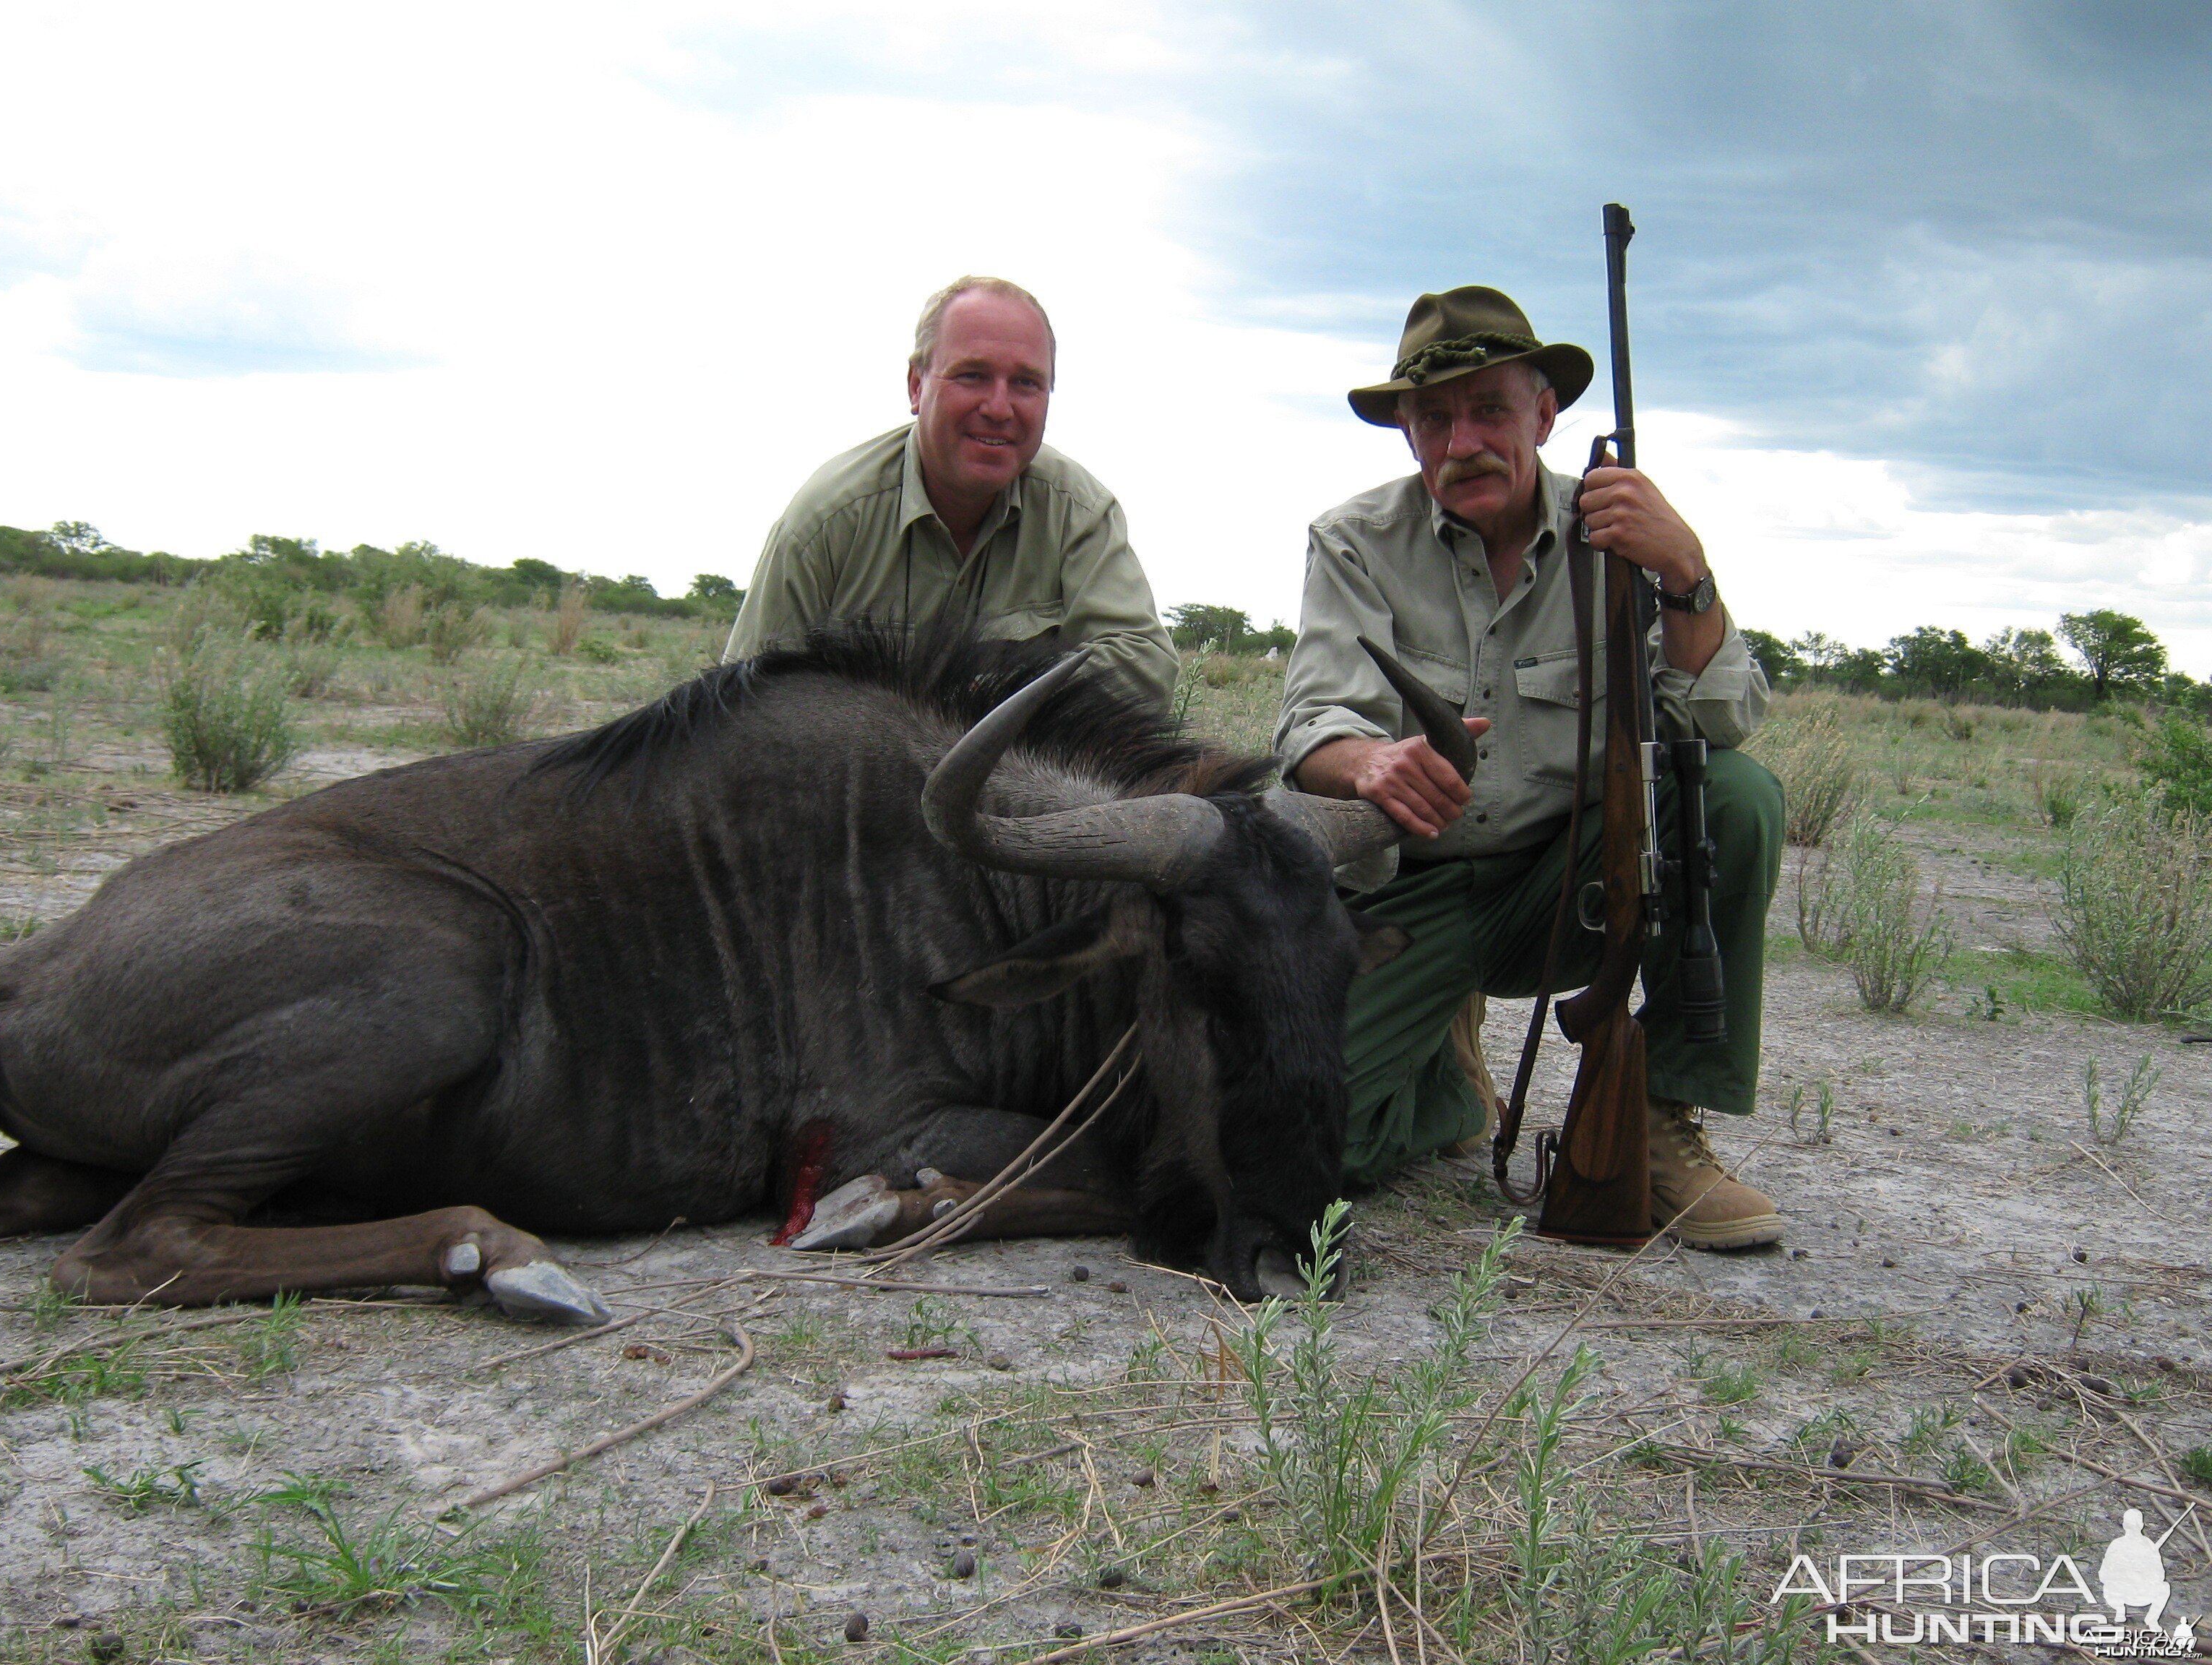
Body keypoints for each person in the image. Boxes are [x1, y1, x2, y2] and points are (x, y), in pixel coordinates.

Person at [1274, 285, 1786, 1249]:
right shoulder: (1353, 539)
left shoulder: (1621, 538)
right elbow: (1314, 724)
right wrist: (1371, 764)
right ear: (1408, 433)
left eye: (1490, 411)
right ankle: (1443, 1083)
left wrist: (1687, 574)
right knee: (1297, 1144)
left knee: (1736, 800)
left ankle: (1662, 1119)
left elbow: (1721, 719)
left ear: (1544, 415)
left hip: (1563, 887)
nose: (1462, 440)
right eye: (1434, 417)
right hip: (1404, 895)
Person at [723, 276, 1179, 707]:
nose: (999, 408)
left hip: (1014, 776)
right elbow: (743, 709)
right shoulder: (823, 521)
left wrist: (991, 696)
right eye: (972, 375)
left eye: (1026, 383)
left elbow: (1146, 666)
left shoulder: (1080, 511)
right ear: (917, 385)